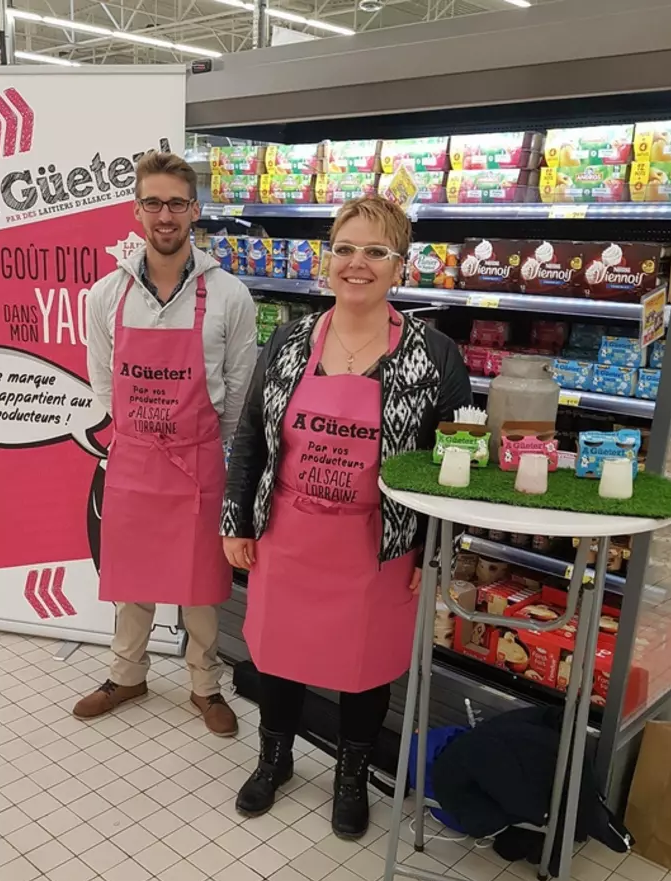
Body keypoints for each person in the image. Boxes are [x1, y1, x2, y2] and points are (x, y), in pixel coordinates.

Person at [222, 195, 471, 837]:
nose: (356, 263)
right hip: (288, 535)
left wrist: (436, 551)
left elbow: (459, 468)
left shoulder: (435, 355)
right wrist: (235, 520)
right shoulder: (290, 339)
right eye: (345, 248)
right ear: (328, 257)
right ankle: (273, 756)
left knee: (365, 668)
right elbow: (251, 433)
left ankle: (351, 775)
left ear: (401, 266)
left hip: (379, 546)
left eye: (375, 252)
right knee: (277, 654)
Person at [75, 152, 257, 736]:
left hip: (199, 458)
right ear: (136, 211)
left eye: (176, 203)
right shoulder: (106, 294)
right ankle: (127, 673)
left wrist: (210, 447)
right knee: (131, 575)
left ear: (194, 211)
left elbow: (240, 385)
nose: (165, 215)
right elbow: (102, 378)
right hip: (132, 456)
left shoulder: (228, 295)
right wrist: (137, 429)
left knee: (202, 581)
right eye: (152, 202)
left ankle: (205, 685)